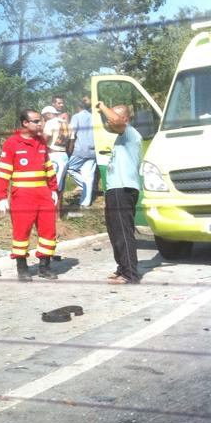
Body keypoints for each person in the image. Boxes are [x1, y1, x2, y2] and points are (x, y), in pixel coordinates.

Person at [0, 109, 59, 280]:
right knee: (21, 233)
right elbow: (3, 172)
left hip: (43, 194)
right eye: (36, 121)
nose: (40, 124)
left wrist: (53, 189)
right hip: (22, 195)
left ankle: (44, 267)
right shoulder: (11, 143)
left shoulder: (40, 142)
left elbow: (48, 168)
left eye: (40, 121)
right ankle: (22, 268)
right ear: (25, 123)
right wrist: (1, 197)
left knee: (49, 231)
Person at [97, 102, 142, 285]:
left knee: (123, 232)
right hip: (115, 190)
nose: (110, 121)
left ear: (125, 119)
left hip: (123, 189)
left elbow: (114, 119)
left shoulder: (131, 133)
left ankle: (130, 274)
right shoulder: (120, 138)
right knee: (115, 232)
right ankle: (122, 268)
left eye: (114, 117)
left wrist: (102, 106)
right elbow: (111, 122)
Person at [66, 95, 97, 209]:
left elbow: (72, 134)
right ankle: (85, 203)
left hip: (79, 150)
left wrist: (69, 149)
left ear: (78, 107)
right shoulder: (94, 117)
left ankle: (83, 185)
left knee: (69, 168)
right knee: (89, 176)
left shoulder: (76, 117)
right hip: (92, 151)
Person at [41, 105, 70, 195]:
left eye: (44, 116)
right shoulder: (66, 123)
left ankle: (50, 207)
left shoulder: (50, 122)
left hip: (53, 155)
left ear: (48, 114)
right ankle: (58, 208)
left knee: (50, 184)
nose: (44, 119)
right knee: (59, 185)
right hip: (64, 155)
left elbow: (45, 138)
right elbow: (71, 142)